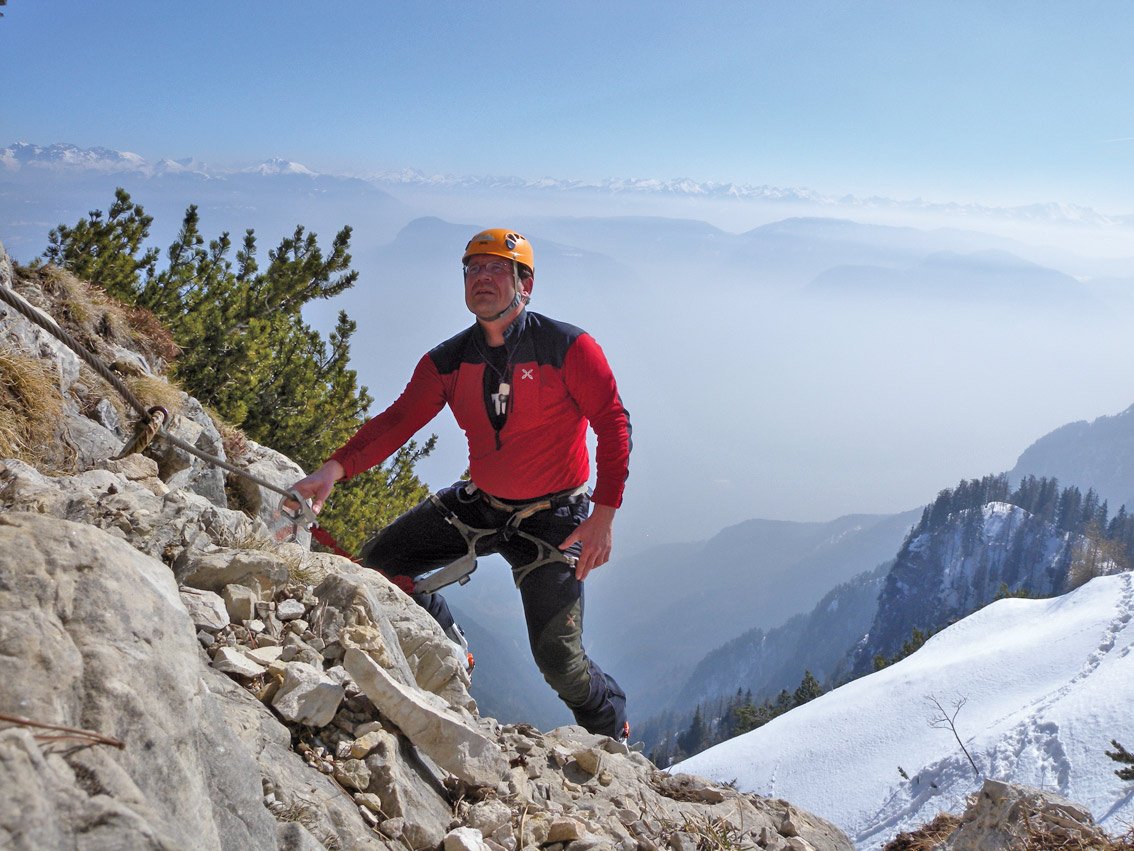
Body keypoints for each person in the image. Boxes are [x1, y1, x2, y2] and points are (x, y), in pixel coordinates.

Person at [289, 228, 631, 740]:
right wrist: (333, 469)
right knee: (383, 568)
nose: (481, 278)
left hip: (557, 517)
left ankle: (610, 730)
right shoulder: (448, 361)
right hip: (482, 501)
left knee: (560, 661)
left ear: (526, 284)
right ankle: (449, 645)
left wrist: (603, 515)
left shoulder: (568, 348)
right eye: (472, 269)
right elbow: (398, 421)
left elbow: (613, 422)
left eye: (497, 268)